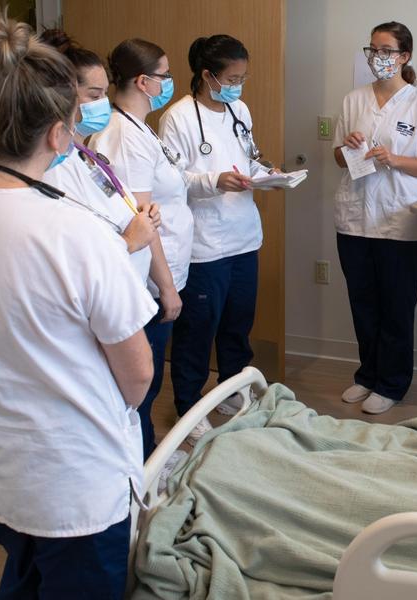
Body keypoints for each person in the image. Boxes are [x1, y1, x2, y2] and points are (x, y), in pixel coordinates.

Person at [0, 12, 156, 598]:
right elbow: (137, 378)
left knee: (24, 573)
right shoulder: (75, 234)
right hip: (73, 488)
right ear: (58, 133)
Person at [90, 37, 251, 447]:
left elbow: (159, 198)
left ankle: (146, 453)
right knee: (144, 377)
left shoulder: (138, 129)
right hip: (157, 269)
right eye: (163, 75)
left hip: (173, 260)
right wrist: (165, 287)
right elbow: (143, 221)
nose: (169, 81)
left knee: (148, 377)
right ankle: (150, 456)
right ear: (144, 82)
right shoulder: (129, 133)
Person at [37, 30, 180, 460]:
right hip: (106, 302)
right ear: (63, 96)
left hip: (130, 290)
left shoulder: (86, 156)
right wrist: (129, 239)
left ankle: (147, 458)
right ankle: (140, 467)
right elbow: (75, 258)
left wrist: (140, 223)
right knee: (128, 395)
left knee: (139, 396)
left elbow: (120, 211)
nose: (104, 102)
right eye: (95, 93)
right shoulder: (51, 171)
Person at [332, 21, 417, 415]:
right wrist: (346, 147)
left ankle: (393, 383)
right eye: (373, 50)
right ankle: (368, 375)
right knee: (362, 303)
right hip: (354, 219)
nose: (378, 58)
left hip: (399, 223)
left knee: (396, 308)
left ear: (404, 56)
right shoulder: (353, 100)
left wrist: (394, 158)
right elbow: (336, 157)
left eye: (386, 51)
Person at [158, 34, 265, 420]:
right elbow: (170, 181)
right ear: (208, 76)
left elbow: (250, 160)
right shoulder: (178, 117)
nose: (238, 86)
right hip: (205, 245)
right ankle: (189, 406)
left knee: (237, 328)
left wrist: (269, 175)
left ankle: (232, 393)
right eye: (232, 78)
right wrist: (212, 181)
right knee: (197, 334)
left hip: (244, 239)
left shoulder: (241, 112)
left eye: (242, 78)